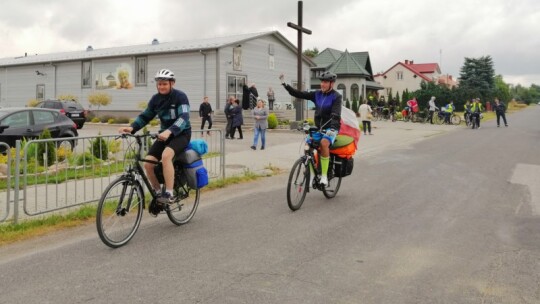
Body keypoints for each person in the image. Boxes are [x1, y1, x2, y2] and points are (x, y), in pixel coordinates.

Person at [118, 68, 191, 204]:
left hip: (181, 134)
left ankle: (169, 193)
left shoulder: (180, 97)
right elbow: (146, 116)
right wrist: (132, 127)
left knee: (166, 156)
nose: (161, 86)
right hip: (164, 135)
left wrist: (170, 131)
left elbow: (184, 117)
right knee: (147, 164)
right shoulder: (155, 99)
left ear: (172, 83)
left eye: (164, 84)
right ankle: (158, 193)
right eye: (159, 84)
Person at [280, 71, 342, 186]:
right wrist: (285, 84)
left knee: (324, 143)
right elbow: (299, 94)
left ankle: (324, 176)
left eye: (325, 82)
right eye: (322, 82)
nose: (322, 84)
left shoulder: (336, 96)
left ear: (331, 84)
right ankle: (313, 175)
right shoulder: (317, 94)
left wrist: (332, 128)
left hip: (331, 128)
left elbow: (336, 114)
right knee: (307, 146)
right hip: (319, 127)